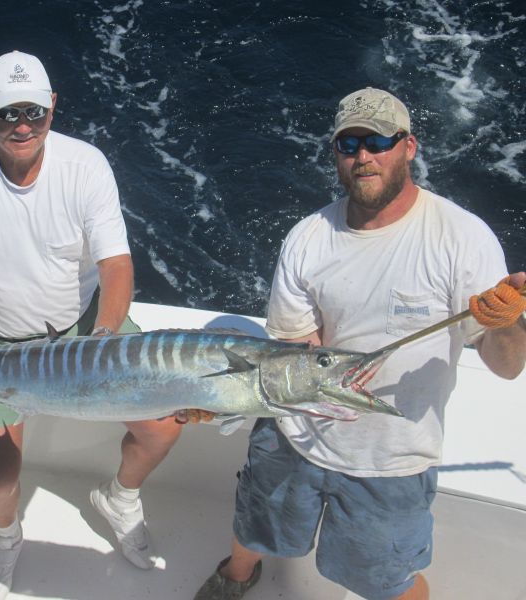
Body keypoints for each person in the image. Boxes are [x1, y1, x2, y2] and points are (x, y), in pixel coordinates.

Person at [194, 87, 526, 600]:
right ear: (336, 154)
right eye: (349, 144)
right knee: (255, 525)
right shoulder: (308, 237)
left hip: (392, 461)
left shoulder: (463, 239)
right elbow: (292, 347)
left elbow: (506, 369)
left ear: (409, 147)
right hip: (293, 433)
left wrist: (506, 324)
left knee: (386, 582)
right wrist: (216, 402)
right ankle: (236, 575)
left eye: (377, 141)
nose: (363, 156)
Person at [0, 50, 183, 600]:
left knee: (162, 426)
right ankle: (6, 536)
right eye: (7, 114)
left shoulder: (85, 165)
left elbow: (116, 265)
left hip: (87, 334)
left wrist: (106, 336)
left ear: (52, 109)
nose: (21, 126)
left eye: (34, 114)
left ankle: (119, 498)